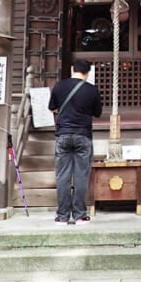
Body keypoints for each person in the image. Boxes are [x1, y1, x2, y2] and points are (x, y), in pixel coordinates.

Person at [49, 59, 102, 225]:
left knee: (63, 176)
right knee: (81, 176)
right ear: (88, 73)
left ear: (72, 69)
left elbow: (52, 107)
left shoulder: (59, 86)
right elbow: (98, 113)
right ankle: (79, 215)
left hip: (63, 134)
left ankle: (62, 216)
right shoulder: (91, 90)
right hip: (83, 135)